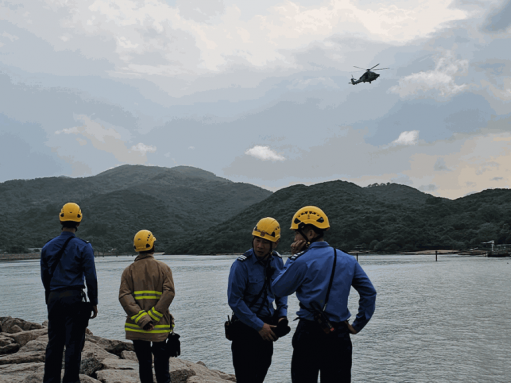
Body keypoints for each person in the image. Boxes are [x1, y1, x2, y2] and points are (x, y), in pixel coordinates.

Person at [272, 206, 377, 383]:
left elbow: (278, 289)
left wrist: (292, 258)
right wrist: (357, 324)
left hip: (308, 333)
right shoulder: (348, 260)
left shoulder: (301, 260)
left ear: (310, 234)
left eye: (297, 233)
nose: (295, 238)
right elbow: (369, 293)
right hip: (339, 334)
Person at [40, 202, 98, 383]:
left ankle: (50, 380)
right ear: (79, 221)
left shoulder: (47, 247)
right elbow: (91, 278)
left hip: (54, 298)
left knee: (54, 342)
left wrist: (50, 297)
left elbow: (45, 277)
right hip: (74, 298)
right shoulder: (84, 247)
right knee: (73, 343)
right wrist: (94, 301)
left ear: (61, 219)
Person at [227, 217, 289, 383]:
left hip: (267, 328)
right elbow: (235, 301)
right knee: (245, 378)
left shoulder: (277, 260)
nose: (260, 246)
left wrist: (282, 315)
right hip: (245, 327)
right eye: (257, 240)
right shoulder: (241, 265)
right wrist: (259, 326)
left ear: (275, 243)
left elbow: (281, 291)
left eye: (265, 242)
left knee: (260, 376)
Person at [119, 230, 175, 383]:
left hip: (138, 327)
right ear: (152, 245)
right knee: (162, 367)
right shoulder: (163, 268)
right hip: (159, 327)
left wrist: (143, 319)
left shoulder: (128, 271)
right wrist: (153, 317)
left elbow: (124, 297)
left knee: (144, 365)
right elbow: (169, 293)